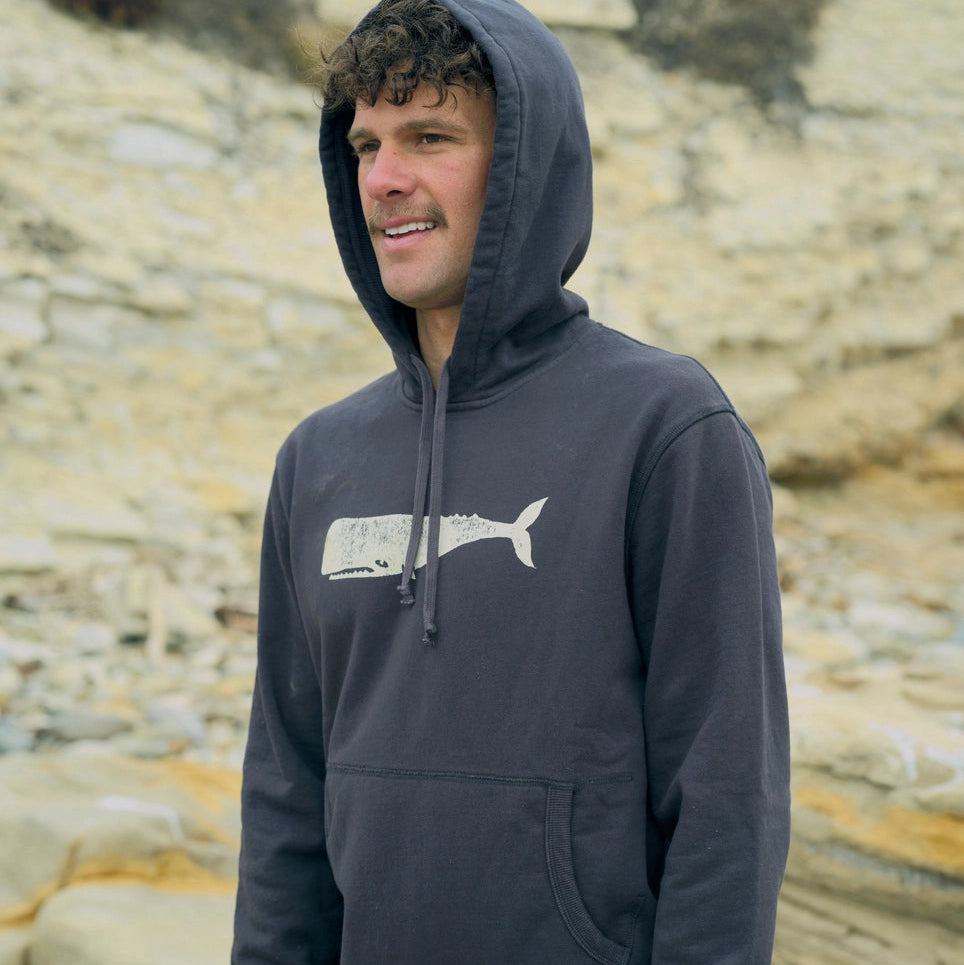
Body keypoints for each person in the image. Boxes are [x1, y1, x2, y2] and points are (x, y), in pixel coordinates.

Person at [232, 0, 791, 962]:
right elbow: (286, 795)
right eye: (365, 146)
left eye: (430, 137)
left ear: (528, 166)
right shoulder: (320, 457)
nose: (384, 179)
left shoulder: (666, 426)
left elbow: (728, 795)